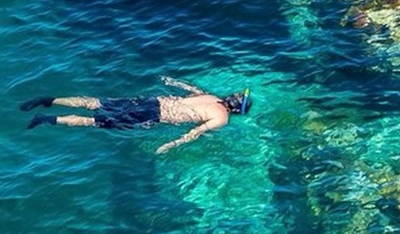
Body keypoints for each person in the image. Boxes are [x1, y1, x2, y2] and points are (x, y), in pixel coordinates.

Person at [21, 76, 251, 154]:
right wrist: (171, 145)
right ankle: (46, 119)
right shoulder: (222, 118)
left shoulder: (210, 96)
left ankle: (49, 100)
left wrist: (169, 80)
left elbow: (187, 88)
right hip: (153, 116)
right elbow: (196, 132)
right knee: (93, 121)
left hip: (152, 101)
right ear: (237, 111)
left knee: (94, 103)